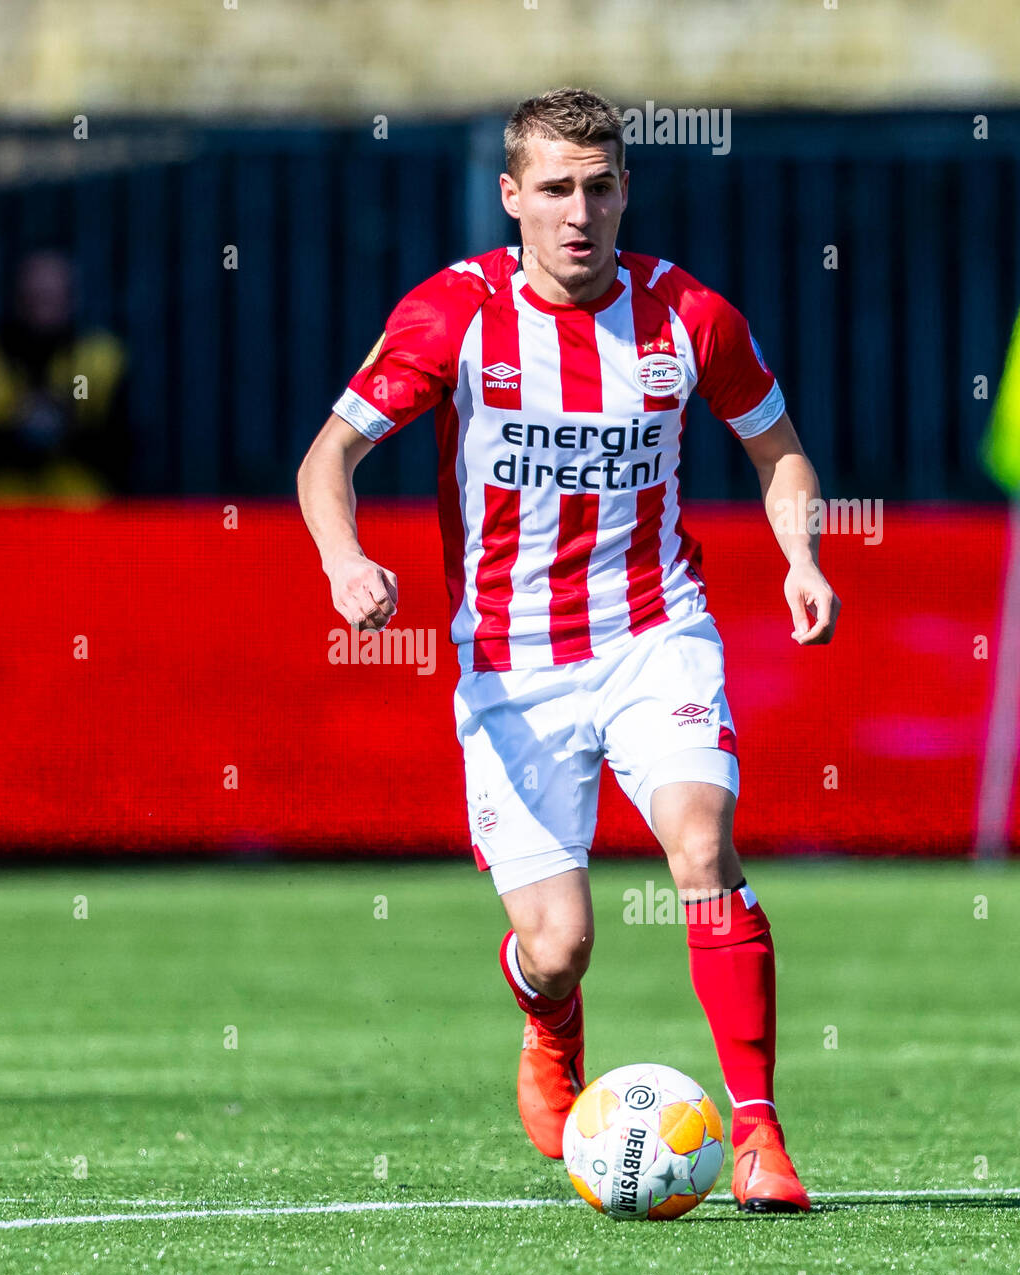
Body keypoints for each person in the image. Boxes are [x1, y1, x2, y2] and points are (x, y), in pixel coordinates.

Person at [297, 88, 840, 1213]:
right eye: (554, 189)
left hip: (654, 631)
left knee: (701, 843)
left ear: (626, 190)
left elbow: (776, 448)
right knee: (559, 943)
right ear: (512, 198)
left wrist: (801, 556)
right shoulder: (455, 317)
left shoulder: (688, 315)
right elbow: (327, 459)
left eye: (599, 187)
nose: (578, 212)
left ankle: (757, 1134)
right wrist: (344, 561)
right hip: (510, 665)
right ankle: (547, 1017)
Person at [0, 249, 131, 499]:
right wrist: (14, 431)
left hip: (83, 523)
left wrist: (65, 428)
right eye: (34, 295)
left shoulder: (103, 358)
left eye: (52, 296)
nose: (42, 307)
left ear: (72, 297)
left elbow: (127, 451)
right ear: (16, 296)